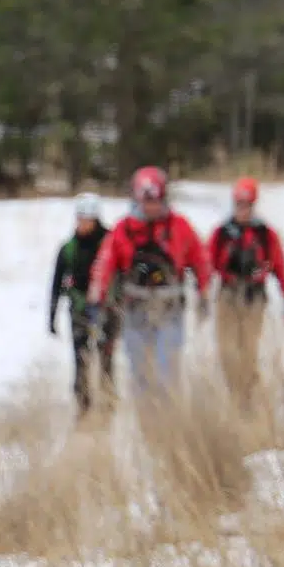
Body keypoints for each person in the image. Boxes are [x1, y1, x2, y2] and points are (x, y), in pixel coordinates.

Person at [88, 166, 211, 404]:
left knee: (168, 373)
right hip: (136, 311)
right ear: (136, 199)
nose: (151, 206)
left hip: (169, 309)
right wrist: (96, 300)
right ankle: (147, 429)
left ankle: (168, 428)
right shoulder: (123, 230)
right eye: (146, 201)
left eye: (156, 200)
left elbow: (200, 260)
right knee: (140, 376)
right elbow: (103, 265)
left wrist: (204, 294)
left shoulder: (179, 226)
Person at [210, 176, 284, 405]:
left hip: (254, 297)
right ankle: (235, 393)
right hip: (228, 295)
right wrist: (201, 291)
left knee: (248, 351)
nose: (242, 210)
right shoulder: (222, 234)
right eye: (239, 204)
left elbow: (280, 267)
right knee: (227, 351)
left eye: (247, 205)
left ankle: (247, 399)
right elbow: (207, 263)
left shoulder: (265, 235)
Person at [48, 193, 117, 416]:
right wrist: (51, 315)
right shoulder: (68, 248)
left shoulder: (111, 243)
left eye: (86, 220)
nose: (82, 224)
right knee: (80, 358)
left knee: (105, 357)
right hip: (78, 310)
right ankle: (82, 406)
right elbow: (56, 283)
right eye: (79, 219)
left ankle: (108, 403)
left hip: (106, 309)